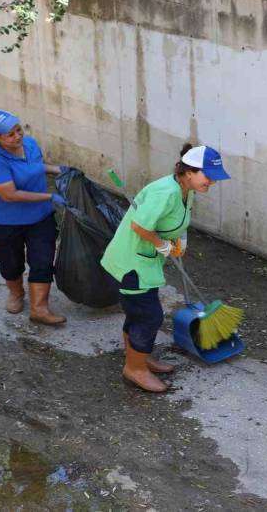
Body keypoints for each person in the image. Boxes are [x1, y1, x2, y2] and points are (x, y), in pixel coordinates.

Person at [101, 143, 231, 392]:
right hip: (132, 262)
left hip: (146, 260)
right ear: (189, 171)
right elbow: (139, 226)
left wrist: (179, 239)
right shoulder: (166, 192)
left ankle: (140, 356)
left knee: (138, 311)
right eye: (209, 176)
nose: (212, 183)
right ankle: (134, 368)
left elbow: (173, 221)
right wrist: (162, 245)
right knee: (149, 316)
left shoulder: (186, 190)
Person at [0, 109, 67, 326]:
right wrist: (49, 196)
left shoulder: (30, 144)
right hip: (5, 221)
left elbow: (35, 167)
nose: (17, 136)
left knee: (43, 260)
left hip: (40, 217)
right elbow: (9, 195)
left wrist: (59, 169)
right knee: (11, 263)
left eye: (18, 130)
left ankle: (39, 309)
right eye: (10, 134)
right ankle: (16, 294)